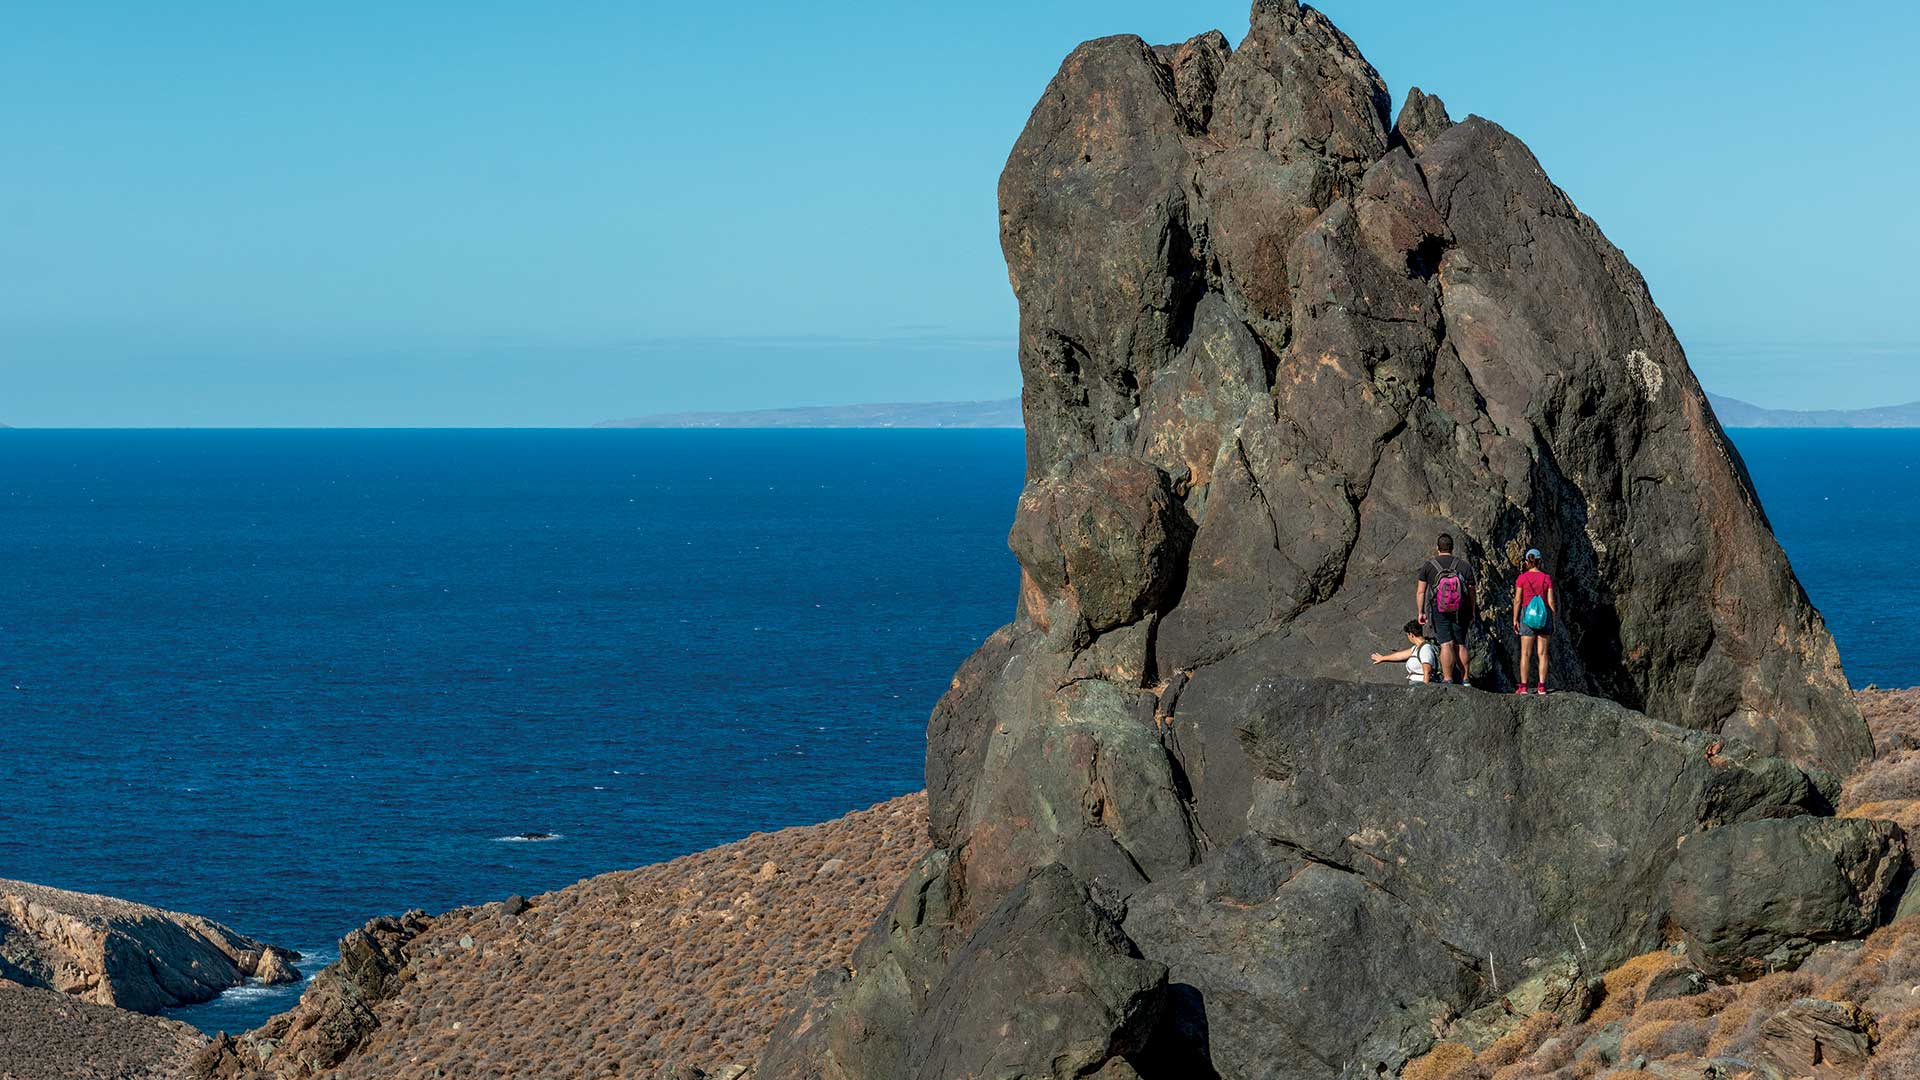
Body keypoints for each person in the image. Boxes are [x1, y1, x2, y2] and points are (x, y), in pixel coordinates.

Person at [1416, 533, 1476, 685]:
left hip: (1439, 608)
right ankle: (1465, 679)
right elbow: (1471, 592)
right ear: (1452, 548)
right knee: (1460, 643)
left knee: (1446, 644)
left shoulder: (1429, 566)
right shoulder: (1464, 566)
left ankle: (1448, 679)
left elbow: (1421, 591)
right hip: (1460, 609)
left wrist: (1421, 612)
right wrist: (1472, 610)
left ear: (1438, 548)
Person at [1511, 547, 1556, 694]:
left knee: (1525, 653)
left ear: (1526, 562)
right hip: (1543, 616)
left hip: (1527, 615)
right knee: (1542, 653)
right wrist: (1552, 618)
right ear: (1540, 561)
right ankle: (1541, 686)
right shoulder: (1546, 578)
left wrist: (1515, 619)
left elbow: (1517, 600)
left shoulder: (1522, 578)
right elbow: (1550, 601)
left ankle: (1523, 687)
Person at [1371, 620, 1438, 684]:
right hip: (1416, 683)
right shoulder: (1416, 648)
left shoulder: (1425, 649)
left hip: (1420, 684)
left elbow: (1427, 671)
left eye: (1407, 635)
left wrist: (1425, 689)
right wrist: (1383, 658)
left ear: (1411, 635)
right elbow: (1399, 655)